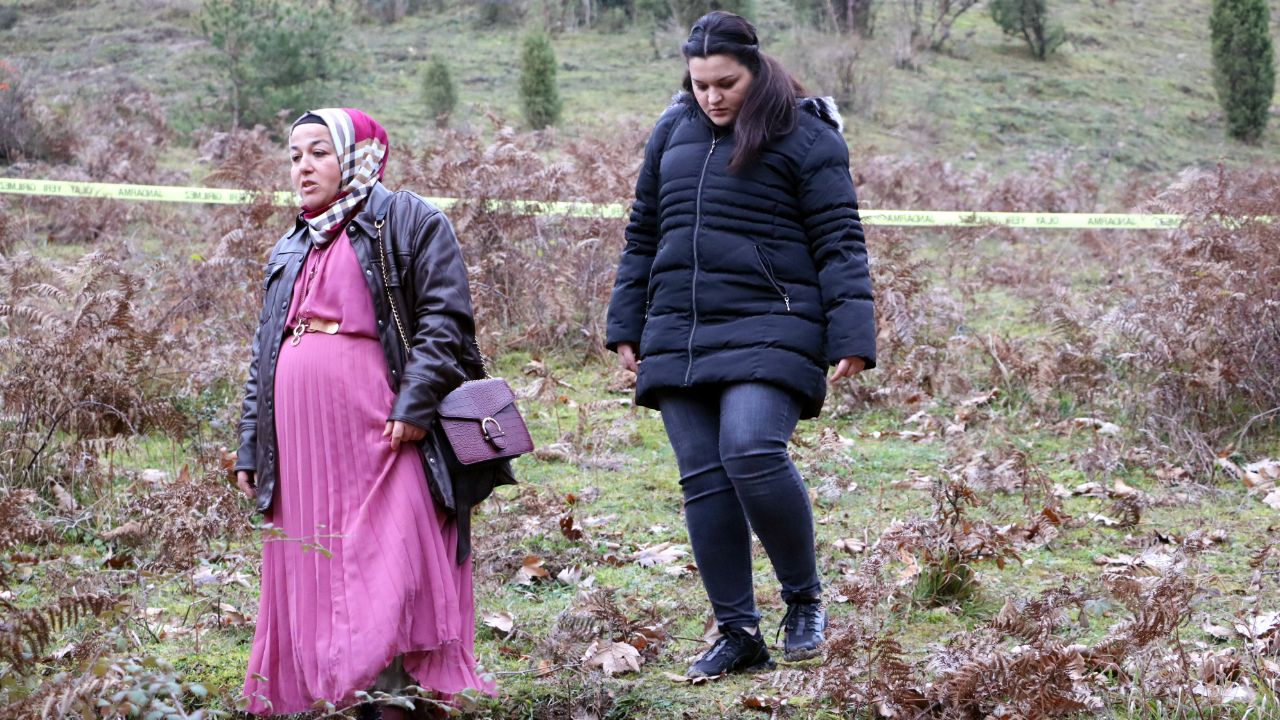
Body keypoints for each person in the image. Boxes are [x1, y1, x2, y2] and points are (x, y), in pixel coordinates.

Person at [605, 12, 876, 678]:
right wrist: (625, 323)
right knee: (703, 477)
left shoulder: (807, 137)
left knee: (751, 449)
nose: (713, 97)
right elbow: (644, 232)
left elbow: (840, 242)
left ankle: (804, 601)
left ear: (756, 70)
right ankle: (737, 632)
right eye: (699, 85)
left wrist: (852, 334)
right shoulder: (671, 131)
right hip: (681, 327)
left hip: (773, 321)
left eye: (725, 82)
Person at [234, 108, 502, 717]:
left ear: (357, 156)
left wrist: (415, 405)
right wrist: (251, 441)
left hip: (383, 426)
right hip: (299, 438)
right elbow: (264, 351)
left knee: (388, 551)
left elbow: (444, 322)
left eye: (318, 152)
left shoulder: (409, 221)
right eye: (295, 155)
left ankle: (391, 697)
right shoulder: (292, 244)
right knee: (316, 558)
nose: (303, 166)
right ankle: (340, 692)